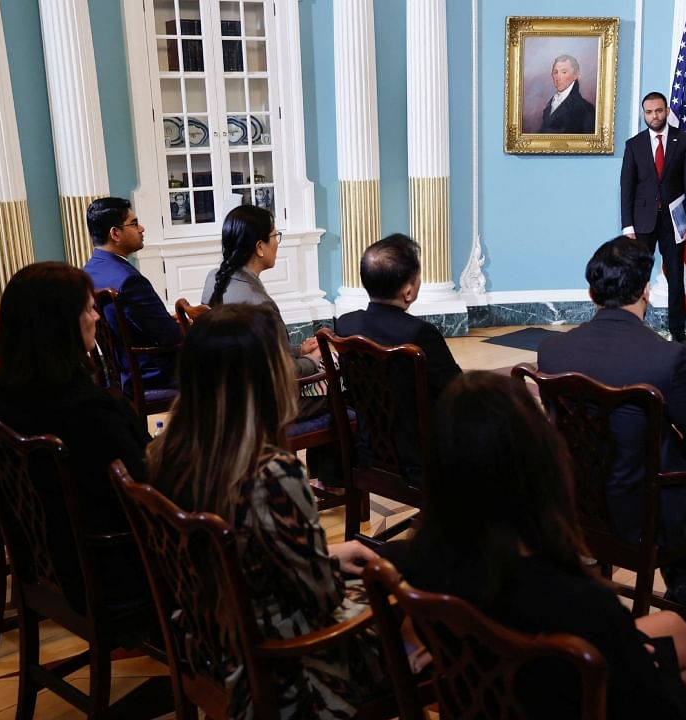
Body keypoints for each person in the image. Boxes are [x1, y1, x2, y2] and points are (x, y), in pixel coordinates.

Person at [381, 371, 686, 719]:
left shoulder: (420, 560)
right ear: (544, 468)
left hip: (497, 693)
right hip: (565, 693)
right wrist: (632, 657)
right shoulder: (581, 603)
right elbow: (655, 709)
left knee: (673, 627)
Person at [147, 303, 382, 718]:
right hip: (288, 673)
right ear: (267, 380)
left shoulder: (165, 454)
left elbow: (240, 558)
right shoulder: (272, 475)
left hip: (210, 648)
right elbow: (322, 598)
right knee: (421, 618)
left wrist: (324, 557)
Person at [538, 237, 686, 616]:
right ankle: (685, 581)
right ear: (646, 292)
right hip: (639, 511)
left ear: (592, 293)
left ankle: (680, 582)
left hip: (569, 498)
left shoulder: (553, 351)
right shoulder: (667, 358)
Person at [0, 262, 151, 605]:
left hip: (49, 562)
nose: (96, 317)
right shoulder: (88, 412)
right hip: (115, 572)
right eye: (89, 309)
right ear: (61, 325)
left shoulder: (5, 395)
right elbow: (147, 493)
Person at [201, 204, 339, 486]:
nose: (278, 242)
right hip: (267, 405)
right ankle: (333, 480)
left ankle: (325, 476)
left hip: (229, 396)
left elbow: (255, 350)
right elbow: (284, 374)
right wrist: (314, 360)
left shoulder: (216, 280)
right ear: (260, 247)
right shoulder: (259, 304)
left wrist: (299, 349)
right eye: (276, 235)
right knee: (342, 383)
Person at [335, 233, 462, 481]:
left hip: (368, 450)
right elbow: (458, 392)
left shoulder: (345, 325)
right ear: (408, 291)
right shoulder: (420, 334)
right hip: (422, 458)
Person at [620, 91, 686, 340]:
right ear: (644, 114)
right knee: (637, 277)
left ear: (666, 111)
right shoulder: (634, 145)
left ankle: (677, 331)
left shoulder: (684, 142)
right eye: (649, 112)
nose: (654, 116)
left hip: (673, 223)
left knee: (675, 276)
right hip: (642, 223)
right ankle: (635, 330)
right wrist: (627, 226)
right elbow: (627, 187)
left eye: (658, 110)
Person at [82, 196, 183, 393]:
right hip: (152, 374)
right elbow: (170, 337)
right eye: (134, 224)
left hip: (119, 372)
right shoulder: (128, 281)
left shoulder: (89, 272)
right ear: (115, 233)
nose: (142, 229)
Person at [538, 54, 595, 134]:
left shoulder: (586, 110)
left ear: (576, 75)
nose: (558, 77)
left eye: (564, 72)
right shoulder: (549, 106)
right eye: (555, 72)